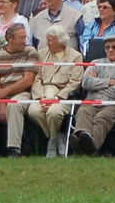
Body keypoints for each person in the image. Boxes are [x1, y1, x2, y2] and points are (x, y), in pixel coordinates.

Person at [0, 23, 36, 157]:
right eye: (21, 38)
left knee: (14, 106)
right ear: (10, 38)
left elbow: (28, 80)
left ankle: (14, 149)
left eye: (25, 37)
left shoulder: (30, 51)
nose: (24, 41)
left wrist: (4, 93)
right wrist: (1, 102)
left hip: (21, 92)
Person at [71, 33, 115, 155]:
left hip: (114, 103)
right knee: (83, 111)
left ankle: (88, 147)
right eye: (107, 47)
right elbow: (85, 83)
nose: (110, 50)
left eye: (114, 47)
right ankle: (82, 137)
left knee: (102, 117)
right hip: (92, 100)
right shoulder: (96, 62)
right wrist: (110, 82)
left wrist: (96, 85)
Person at [27, 26, 85, 156]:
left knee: (53, 112)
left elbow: (75, 82)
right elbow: (36, 78)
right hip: (43, 93)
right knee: (34, 111)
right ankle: (56, 138)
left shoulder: (75, 56)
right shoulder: (41, 54)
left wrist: (57, 98)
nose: (47, 43)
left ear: (60, 41)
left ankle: (51, 142)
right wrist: (41, 97)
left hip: (63, 95)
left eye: (50, 40)